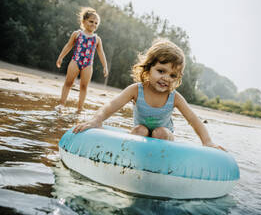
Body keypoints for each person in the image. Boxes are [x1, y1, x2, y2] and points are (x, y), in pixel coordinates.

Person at [73, 38, 226, 151]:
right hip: (141, 133)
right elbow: (111, 105)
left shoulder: (174, 97)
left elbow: (193, 120)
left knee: (160, 132)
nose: (166, 78)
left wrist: (207, 141)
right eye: (161, 71)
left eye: (173, 76)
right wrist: (96, 120)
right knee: (141, 130)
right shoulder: (136, 90)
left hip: (164, 137)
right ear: (148, 68)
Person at [56, 7, 108, 112]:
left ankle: (80, 108)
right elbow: (68, 46)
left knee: (84, 86)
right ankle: (61, 104)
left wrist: (105, 66)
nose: (94, 24)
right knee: (68, 83)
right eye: (91, 21)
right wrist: (60, 57)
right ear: (84, 21)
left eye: (96, 23)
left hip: (88, 65)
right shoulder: (77, 34)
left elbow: (101, 53)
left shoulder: (97, 39)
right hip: (75, 61)